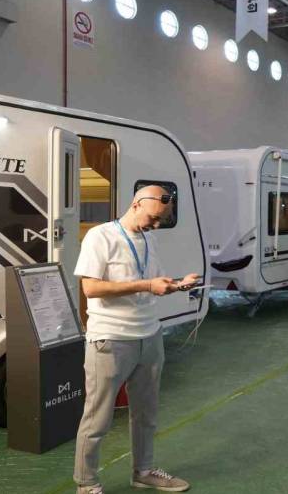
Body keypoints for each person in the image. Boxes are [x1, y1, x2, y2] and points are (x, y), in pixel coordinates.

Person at [73, 185, 198, 494]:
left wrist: (176, 285)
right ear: (136, 204)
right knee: (97, 419)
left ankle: (143, 471)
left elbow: (151, 282)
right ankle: (87, 484)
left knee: (146, 414)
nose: (155, 225)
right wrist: (146, 285)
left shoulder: (148, 239)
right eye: (153, 218)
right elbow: (91, 288)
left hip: (150, 336)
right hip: (111, 339)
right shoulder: (100, 236)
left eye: (160, 220)